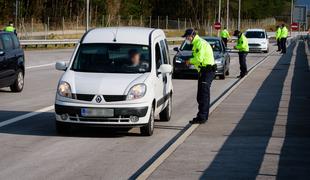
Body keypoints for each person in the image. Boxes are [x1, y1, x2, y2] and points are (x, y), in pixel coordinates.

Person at [183, 29, 216, 124]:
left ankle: (202, 117)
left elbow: (199, 58)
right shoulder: (197, 43)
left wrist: (189, 61)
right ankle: (202, 116)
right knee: (201, 95)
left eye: (187, 37)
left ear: (192, 35)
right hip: (204, 71)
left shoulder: (199, 43)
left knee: (203, 95)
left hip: (207, 70)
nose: (186, 39)